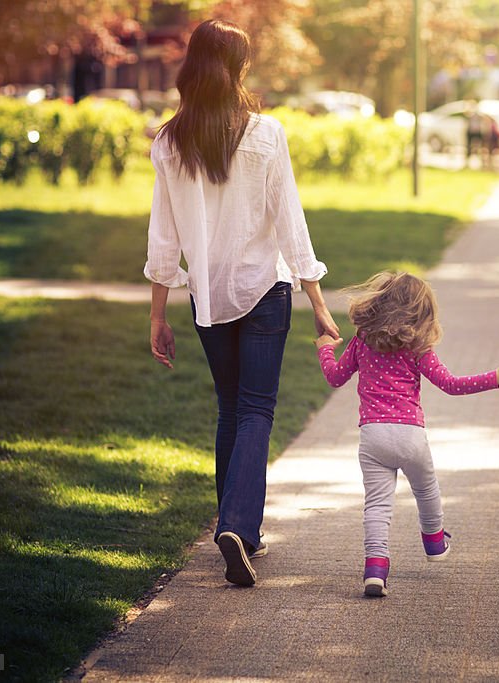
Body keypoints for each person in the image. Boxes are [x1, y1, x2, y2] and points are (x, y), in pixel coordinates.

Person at [145, 19, 340, 587]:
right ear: (237, 69)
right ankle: (237, 524)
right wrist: (317, 299)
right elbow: (290, 221)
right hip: (265, 289)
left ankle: (236, 527)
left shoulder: (168, 141)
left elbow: (164, 236)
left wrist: (158, 313)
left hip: (207, 295)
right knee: (256, 410)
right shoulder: (265, 134)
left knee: (231, 407)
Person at [314, 272, 499, 597]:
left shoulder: (362, 340)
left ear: (378, 303)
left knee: (377, 506)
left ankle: (375, 568)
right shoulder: (417, 348)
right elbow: (451, 385)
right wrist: (495, 377)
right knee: (426, 491)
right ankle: (435, 543)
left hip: (372, 436)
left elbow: (334, 377)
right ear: (421, 313)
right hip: (410, 436)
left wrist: (325, 347)